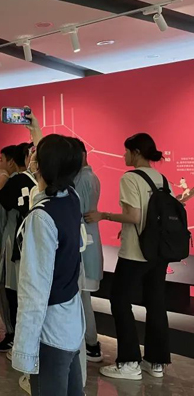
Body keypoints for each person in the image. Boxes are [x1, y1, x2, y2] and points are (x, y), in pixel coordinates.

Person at [86, 133, 172, 381]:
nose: (124, 155)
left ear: (136, 152)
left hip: (135, 251)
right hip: (158, 252)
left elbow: (134, 216)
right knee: (156, 303)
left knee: (120, 300)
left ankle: (129, 361)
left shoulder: (130, 178)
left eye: (126, 151)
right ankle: (155, 362)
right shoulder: (162, 178)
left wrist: (104, 215)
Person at [12, 134, 85, 396]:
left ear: (42, 164)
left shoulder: (41, 218)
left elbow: (34, 289)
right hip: (70, 320)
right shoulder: (71, 198)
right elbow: (42, 192)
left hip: (49, 328)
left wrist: (24, 351)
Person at [0, 145, 36, 352]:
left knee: (12, 288)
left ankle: (16, 337)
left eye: (1, 160)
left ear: (10, 161)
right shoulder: (33, 180)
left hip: (15, 240)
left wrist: (3, 176)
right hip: (27, 240)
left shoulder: (16, 181)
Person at [71, 139, 104, 364]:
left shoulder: (82, 179)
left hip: (83, 243)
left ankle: (90, 343)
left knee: (82, 298)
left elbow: (78, 212)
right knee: (83, 297)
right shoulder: (91, 177)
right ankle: (90, 342)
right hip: (88, 241)